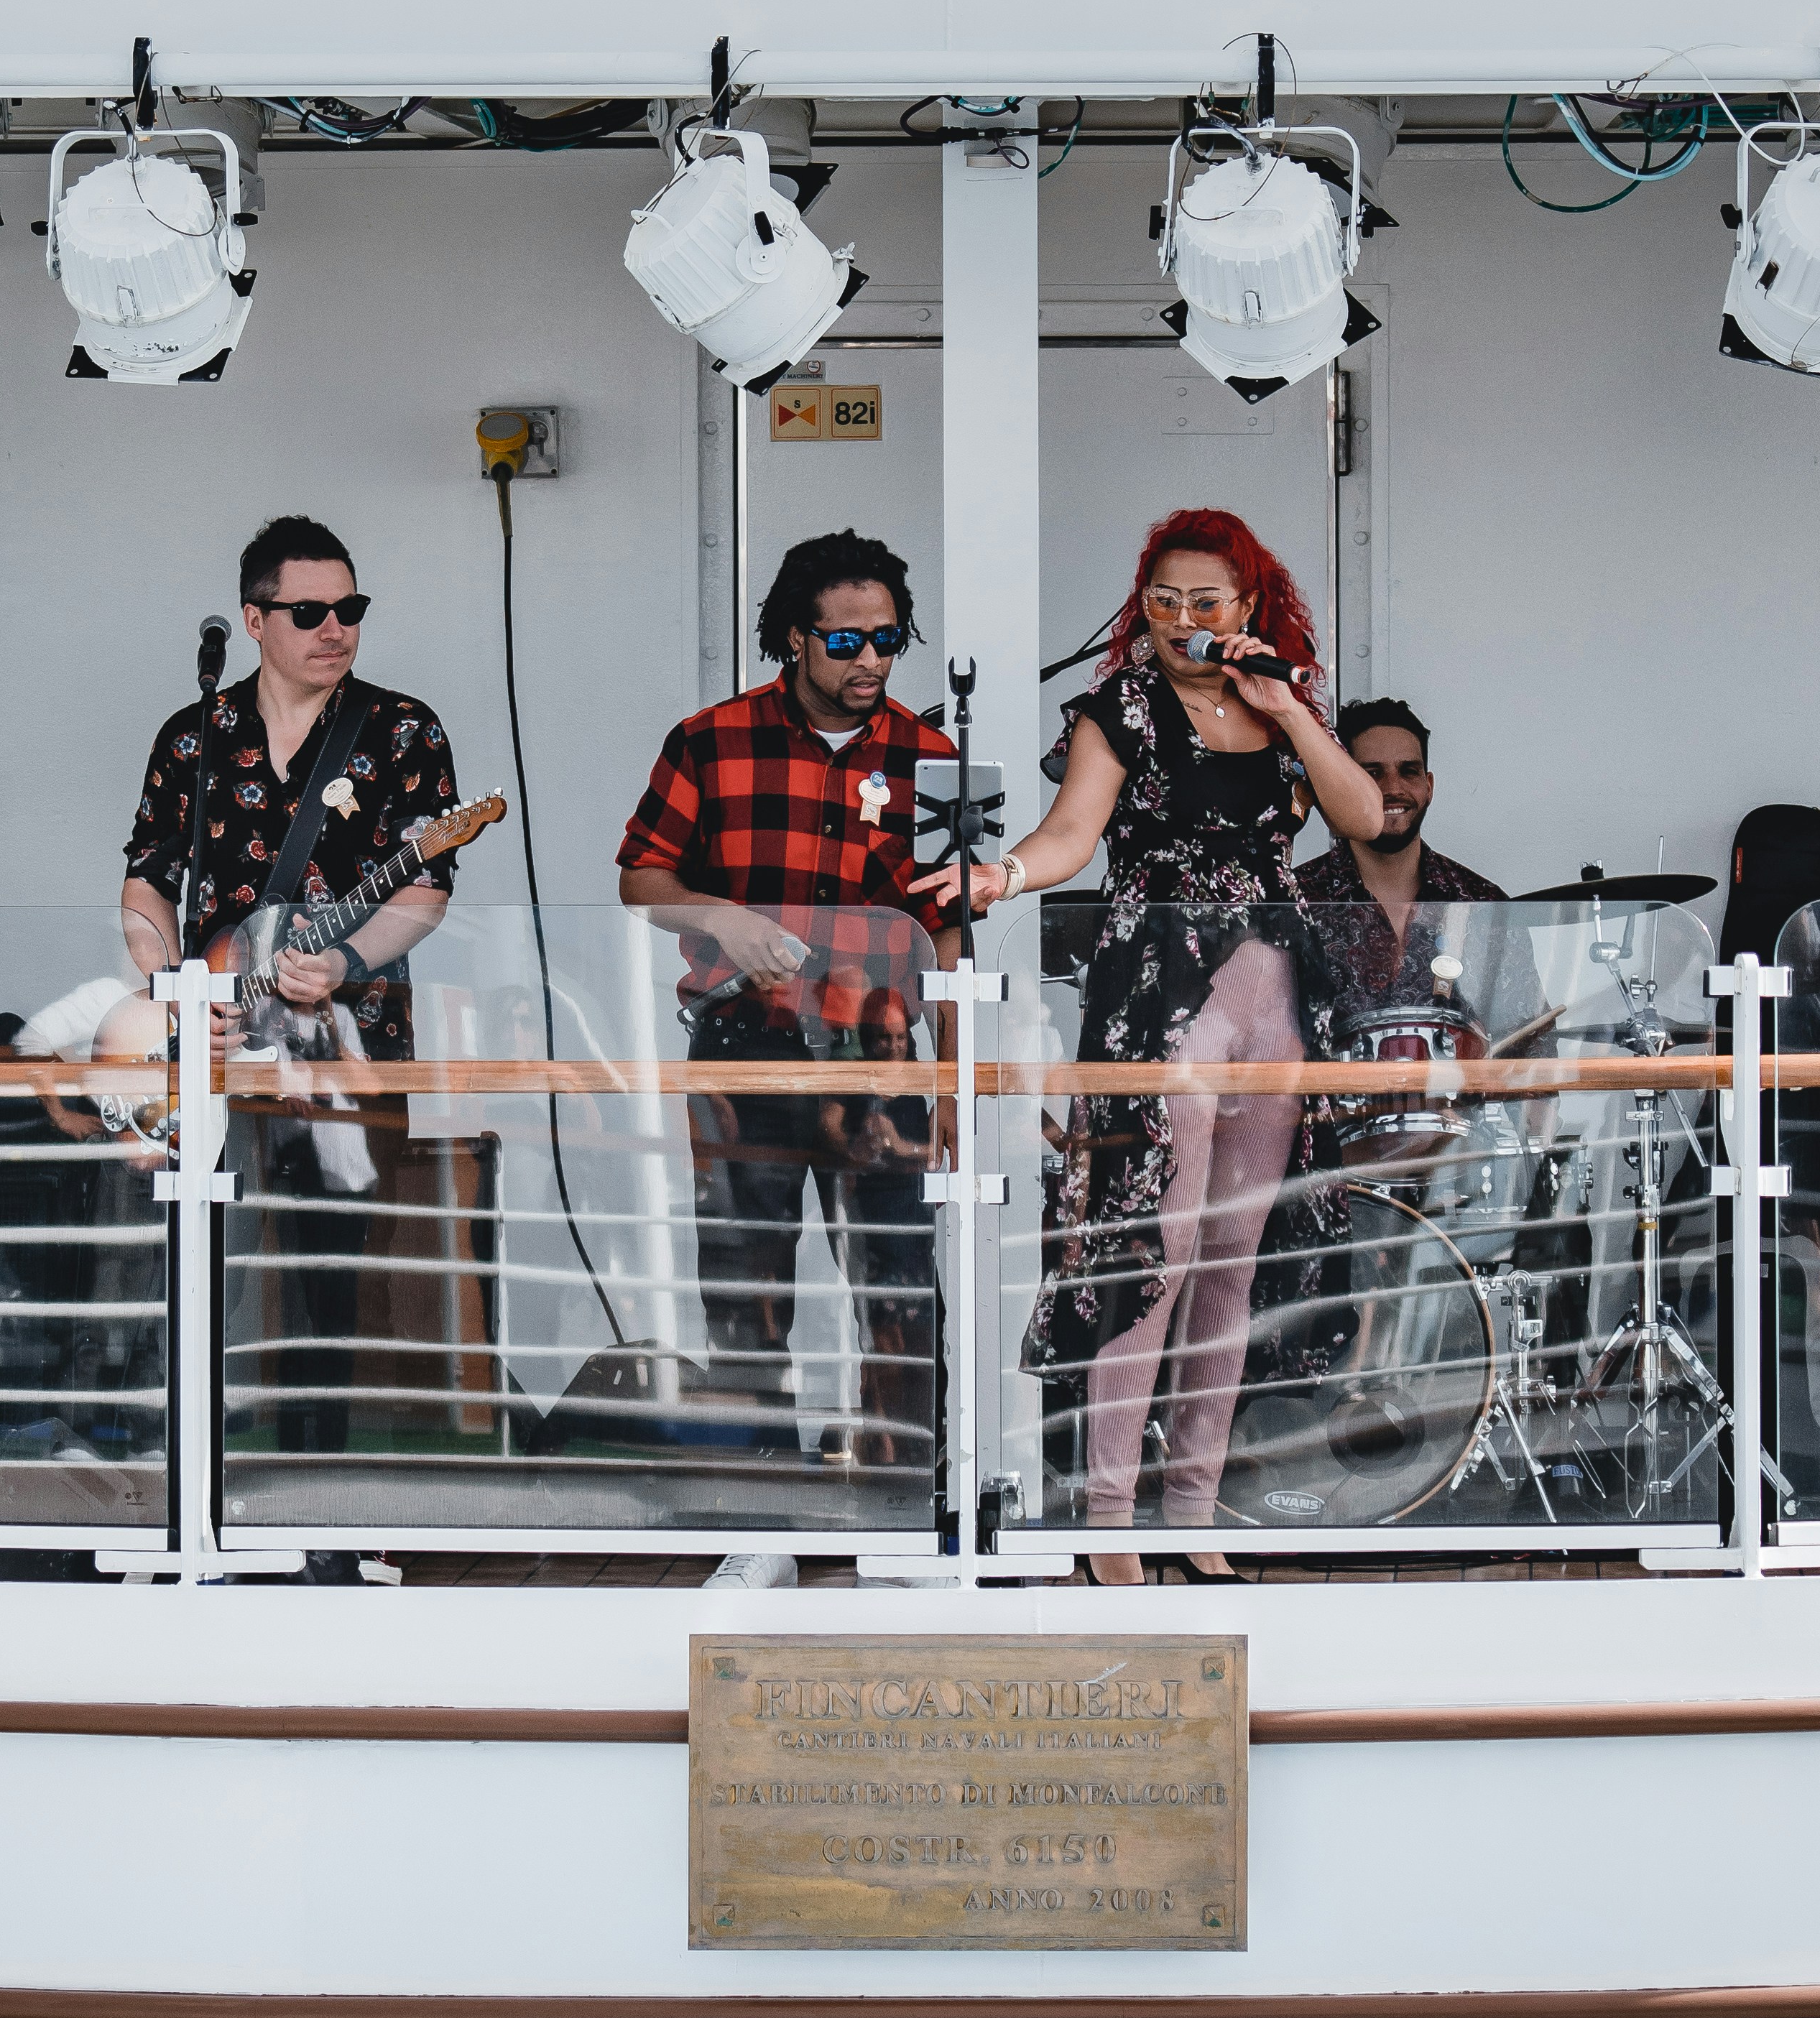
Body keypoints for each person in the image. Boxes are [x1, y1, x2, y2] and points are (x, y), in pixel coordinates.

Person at [942, 510, 1385, 1573]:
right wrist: (1004, 874)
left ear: (1248, 605)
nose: (1183, 620)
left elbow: (1366, 816)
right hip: (1162, 990)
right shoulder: (1123, 707)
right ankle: (1109, 1511)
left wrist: (1290, 708)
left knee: (1233, 1260)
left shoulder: (1279, 706)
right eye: (1163, 602)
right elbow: (1071, 832)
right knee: (1157, 1250)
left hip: (1275, 996)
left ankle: (1192, 1504)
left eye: (1205, 602)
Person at [616, 531, 960, 1467]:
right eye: (846, 641)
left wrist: (959, 1075)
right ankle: (759, 1487)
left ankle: (904, 1486)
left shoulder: (931, 756)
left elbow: (951, 928)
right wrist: (720, 917)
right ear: (796, 639)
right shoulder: (710, 739)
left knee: (898, 1282)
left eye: (888, 639)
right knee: (744, 1281)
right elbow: (641, 877)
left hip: (881, 1053)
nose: (871, 659)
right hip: (744, 1045)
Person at [121, 518, 465, 1450]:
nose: (335, 628)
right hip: (219, 1044)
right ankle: (181, 1462)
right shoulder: (194, 735)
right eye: (309, 612)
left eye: (350, 608)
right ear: (254, 619)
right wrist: (175, 998)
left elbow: (426, 888)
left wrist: (349, 961)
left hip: (348, 1044)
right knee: (204, 1251)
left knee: (334, 1265)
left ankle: (319, 1474)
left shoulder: (402, 729)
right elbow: (148, 883)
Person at [1294, 700, 1507, 1012]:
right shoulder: (1294, 899)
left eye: (1409, 771)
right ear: (1342, 787)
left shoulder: (1485, 903)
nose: (1393, 788)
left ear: (1429, 786)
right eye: (1372, 773)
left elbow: (1530, 1031)